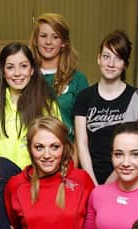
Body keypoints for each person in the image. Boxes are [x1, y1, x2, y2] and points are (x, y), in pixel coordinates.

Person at [74, 30, 138, 185]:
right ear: (98, 58)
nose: (111, 64)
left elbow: (135, 144)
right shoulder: (84, 97)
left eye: (118, 58)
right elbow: (82, 144)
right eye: (106, 56)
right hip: (89, 176)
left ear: (125, 64)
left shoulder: (136, 97)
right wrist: (92, 183)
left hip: (124, 176)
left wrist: (110, 182)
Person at [0, 42, 61, 169]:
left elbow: (56, 146)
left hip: (35, 180)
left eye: (23, 66)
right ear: (2, 72)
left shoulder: (47, 106)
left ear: (31, 70)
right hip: (0, 180)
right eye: (10, 67)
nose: (17, 73)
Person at [30, 13, 88, 141]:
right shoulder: (26, 77)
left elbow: (82, 130)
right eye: (43, 36)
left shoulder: (78, 79)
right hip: (30, 154)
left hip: (67, 154)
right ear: (36, 40)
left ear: (64, 42)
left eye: (55, 37)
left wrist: (75, 158)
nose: (48, 42)